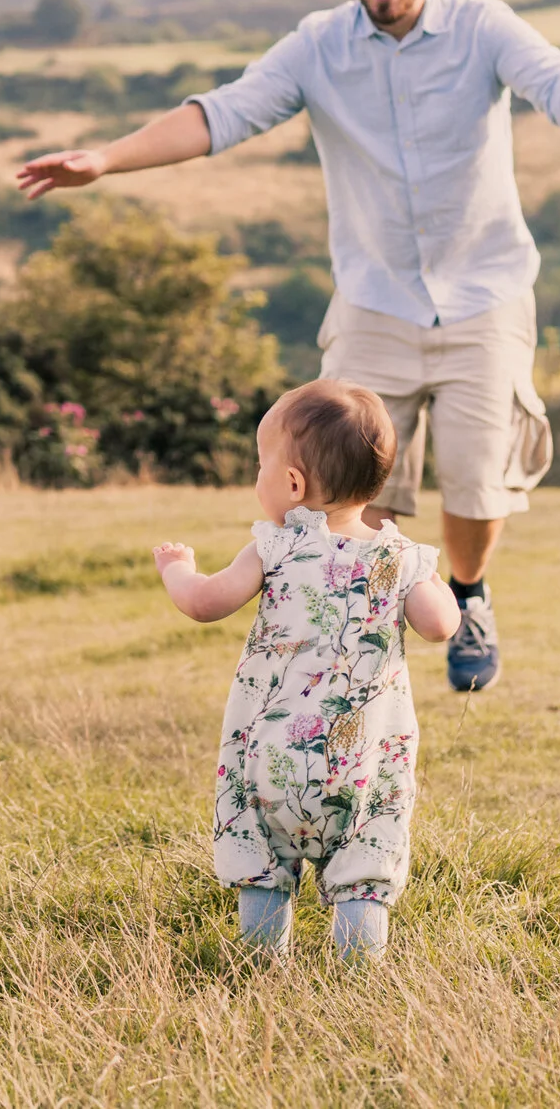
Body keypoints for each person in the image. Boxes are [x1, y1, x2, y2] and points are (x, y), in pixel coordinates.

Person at [19, 0, 560, 693]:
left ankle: (465, 593)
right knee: (352, 485)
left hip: (484, 297)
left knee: (476, 481)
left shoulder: (482, 27)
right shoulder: (317, 45)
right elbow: (222, 112)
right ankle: (360, 649)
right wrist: (105, 158)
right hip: (374, 303)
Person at [153, 380, 460, 962]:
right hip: (362, 763)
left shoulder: (276, 547)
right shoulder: (399, 556)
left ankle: (261, 962)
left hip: (271, 758)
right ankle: (357, 975)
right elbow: (440, 625)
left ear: (291, 483)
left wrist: (177, 568)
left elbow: (204, 603)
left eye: (260, 466)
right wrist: (426, 576)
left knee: (262, 857)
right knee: (366, 857)